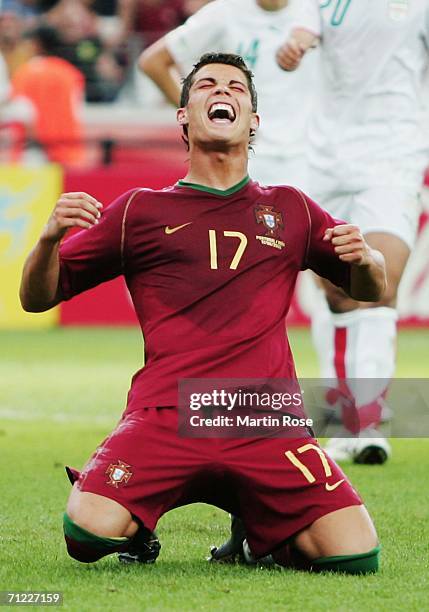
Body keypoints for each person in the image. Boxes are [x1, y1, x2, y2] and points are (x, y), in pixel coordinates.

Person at [20, 53, 385, 573]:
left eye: (237, 87)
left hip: (266, 422)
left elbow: (368, 289)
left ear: (253, 120)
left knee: (355, 555)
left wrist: (366, 259)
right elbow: (37, 297)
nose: (223, 92)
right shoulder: (139, 211)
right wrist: (49, 239)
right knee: (86, 533)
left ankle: (258, 538)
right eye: (207, 85)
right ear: (184, 115)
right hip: (166, 414)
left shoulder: (292, 208)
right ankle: (140, 532)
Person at [276, 0, 429, 463]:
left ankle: (370, 422)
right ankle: (346, 421)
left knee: (380, 284)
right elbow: (302, 28)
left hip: (394, 157)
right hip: (324, 161)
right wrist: (295, 45)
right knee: (338, 294)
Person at [138, 0, 319, 190]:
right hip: (249, 159)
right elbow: (153, 62)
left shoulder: (316, 11)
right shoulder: (225, 13)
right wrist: (196, 115)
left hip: (312, 160)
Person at [11, 24, 85, 165]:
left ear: (37, 44)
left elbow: (23, 112)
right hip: (67, 149)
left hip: (35, 152)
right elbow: (78, 110)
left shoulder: (24, 73)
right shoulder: (70, 73)